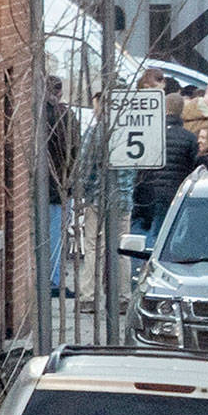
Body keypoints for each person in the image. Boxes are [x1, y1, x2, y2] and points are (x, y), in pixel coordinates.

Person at [75, 92, 135, 313]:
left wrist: (81, 194)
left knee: (92, 247)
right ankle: (122, 297)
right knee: (122, 250)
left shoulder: (95, 132)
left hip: (98, 198)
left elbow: (85, 165)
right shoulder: (131, 131)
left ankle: (89, 297)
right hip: (123, 199)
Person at [132, 93, 198, 242]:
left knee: (151, 234)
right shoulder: (189, 138)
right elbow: (192, 167)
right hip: (175, 192)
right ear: (181, 110)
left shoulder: (150, 134)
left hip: (150, 191)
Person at [45, 75, 80, 296]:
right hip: (60, 185)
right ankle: (54, 281)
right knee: (57, 236)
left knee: (46, 234)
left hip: (42, 185)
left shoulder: (36, 115)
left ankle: (50, 278)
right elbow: (74, 151)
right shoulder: (65, 116)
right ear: (59, 92)